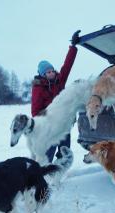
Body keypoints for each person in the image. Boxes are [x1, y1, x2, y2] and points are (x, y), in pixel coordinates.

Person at [31, 30, 80, 162]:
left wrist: (73, 47)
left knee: (65, 150)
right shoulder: (38, 88)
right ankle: (44, 172)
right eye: (48, 72)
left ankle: (59, 170)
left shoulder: (60, 80)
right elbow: (35, 111)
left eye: (52, 70)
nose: (52, 73)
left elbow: (67, 65)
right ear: (43, 74)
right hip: (50, 126)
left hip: (64, 123)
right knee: (48, 152)